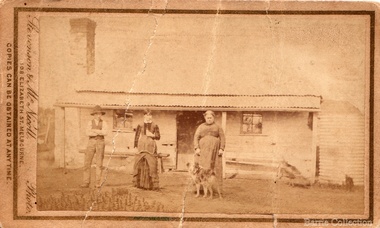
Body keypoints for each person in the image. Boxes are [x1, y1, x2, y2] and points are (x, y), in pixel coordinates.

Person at [194, 110, 226, 188]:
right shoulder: (201, 126)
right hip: (203, 151)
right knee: (202, 168)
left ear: (213, 118)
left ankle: (215, 188)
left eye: (211, 118)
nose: (209, 119)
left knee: (214, 168)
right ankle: (201, 188)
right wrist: (197, 148)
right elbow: (196, 137)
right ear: (205, 118)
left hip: (215, 152)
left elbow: (222, 137)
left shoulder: (218, 127)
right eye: (207, 118)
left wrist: (221, 148)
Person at [80, 105, 108, 188]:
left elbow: (105, 132)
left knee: (99, 163)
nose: (98, 115)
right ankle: (86, 182)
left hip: (100, 142)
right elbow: (87, 133)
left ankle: (97, 183)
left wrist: (94, 130)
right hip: (91, 142)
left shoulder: (104, 123)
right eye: (96, 114)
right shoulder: (90, 122)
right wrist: (99, 131)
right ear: (94, 114)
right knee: (87, 162)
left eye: (100, 114)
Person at [133, 109, 161, 190]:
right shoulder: (140, 125)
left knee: (152, 165)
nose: (149, 117)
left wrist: (152, 135)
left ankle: (152, 185)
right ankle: (139, 184)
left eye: (150, 115)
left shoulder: (155, 125)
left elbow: (158, 137)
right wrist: (135, 146)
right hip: (141, 146)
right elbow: (137, 136)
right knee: (139, 164)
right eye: (147, 115)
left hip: (151, 147)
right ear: (144, 116)